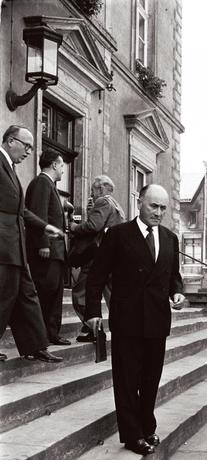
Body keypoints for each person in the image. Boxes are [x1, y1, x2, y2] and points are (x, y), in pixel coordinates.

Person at [85, 184, 185, 455]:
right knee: (127, 380)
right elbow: (96, 277)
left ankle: (147, 427)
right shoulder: (117, 235)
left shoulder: (170, 238)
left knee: (151, 379)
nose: (159, 212)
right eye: (154, 206)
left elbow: (173, 276)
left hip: (157, 321)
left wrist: (177, 292)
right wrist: (93, 312)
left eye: (163, 208)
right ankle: (132, 435)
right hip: (127, 320)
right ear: (139, 202)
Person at [0, 125, 64, 363]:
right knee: (5, 297)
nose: (29, 152)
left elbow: (21, 211)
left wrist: (44, 226)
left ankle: (36, 346)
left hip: (16, 247)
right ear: (10, 141)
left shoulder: (11, 169)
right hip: (3, 247)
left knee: (28, 296)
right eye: (26, 145)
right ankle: (35, 345)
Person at [70, 175, 125, 342]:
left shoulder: (103, 202)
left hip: (97, 258)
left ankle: (91, 328)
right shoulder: (116, 205)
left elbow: (94, 226)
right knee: (112, 296)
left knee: (80, 293)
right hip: (113, 258)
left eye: (92, 190)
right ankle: (122, 331)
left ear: (100, 189)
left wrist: (74, 227)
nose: (91, 194)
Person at [25, 148, 71, 346]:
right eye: (62, 165)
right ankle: (42, 335)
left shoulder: (48, 185)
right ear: (53, 164)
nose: (63, 170)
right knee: (46, 293)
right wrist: (43, 245)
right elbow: (38, 215)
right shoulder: (42, 183)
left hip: (55, 253)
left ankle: (51, 333)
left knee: (53, 293)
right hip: (47, 252)